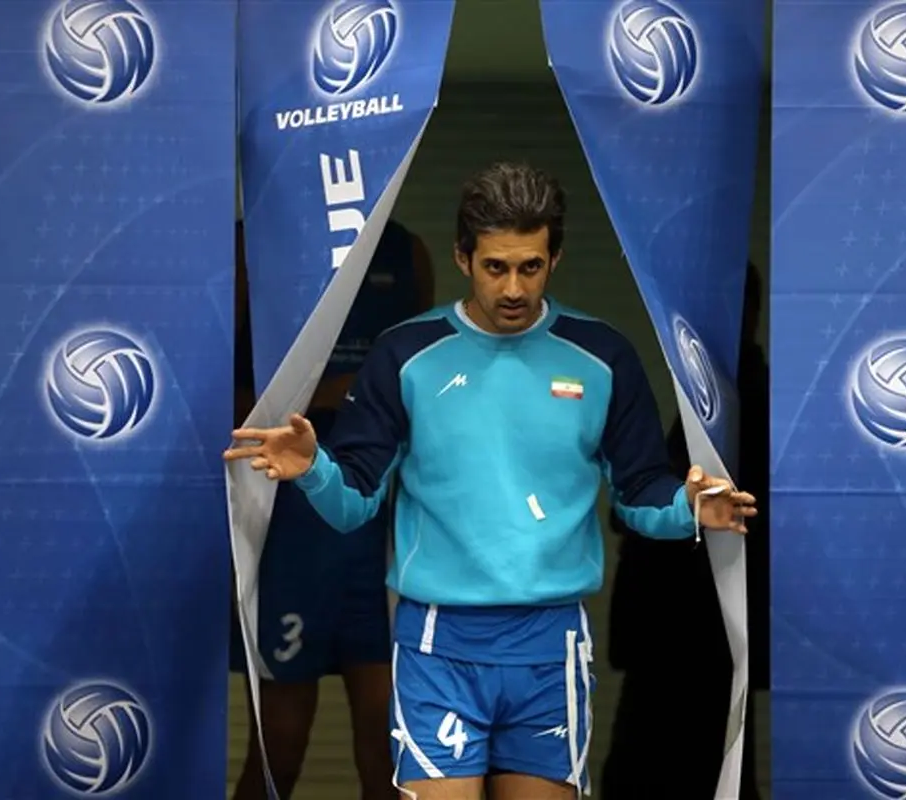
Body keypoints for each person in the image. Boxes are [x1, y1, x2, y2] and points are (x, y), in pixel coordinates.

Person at [224, 162, 757, 800]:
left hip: (550, 644)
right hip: (438, 643)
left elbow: (642, 493)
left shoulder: (603, 356)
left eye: (530, 267)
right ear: (462, 258)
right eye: (495, 267)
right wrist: (314, 470)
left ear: (554, 259)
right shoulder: (405, 353)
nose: (512, 288)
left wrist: (690, 508)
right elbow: (353, 502)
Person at [230, 217, 436, 800]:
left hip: (377, 537)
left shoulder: (406, 251)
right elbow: (220, 402)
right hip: (287, 536)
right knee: (281, 743)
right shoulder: (256, 241)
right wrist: (343, 388)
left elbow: (422, 383)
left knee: (388, 745)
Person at [601, 261, 769, 799]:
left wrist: (648, 505)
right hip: (679, 634)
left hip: (696, 634)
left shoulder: (743, 395)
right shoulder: (708, 390)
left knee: (684, 772)